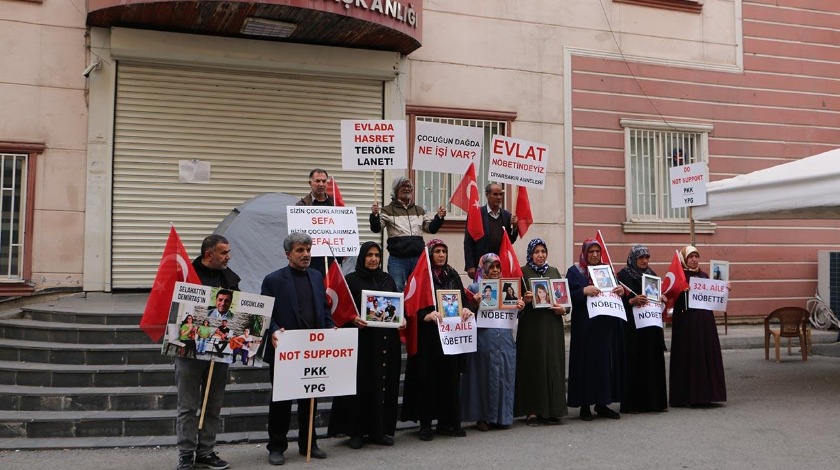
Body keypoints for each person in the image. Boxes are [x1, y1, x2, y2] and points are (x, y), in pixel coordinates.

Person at [261, 232, 334, 465]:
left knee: (310, 400)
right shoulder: (273, 280)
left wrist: (331, 328)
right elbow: (266, 314)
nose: (306, 254)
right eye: (300, 250)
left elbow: (323, 309)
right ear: (288, 254)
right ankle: (276, 447)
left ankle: (309, 444)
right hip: (285, 350)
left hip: (312, 350)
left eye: (308, 250)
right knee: (281, 401)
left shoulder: (315, 276)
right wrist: (273, 330)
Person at [328, 241, 401, 450]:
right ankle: (356, 432)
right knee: (360, 385)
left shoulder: (387, 280)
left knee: (382, 385)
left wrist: (401, 319)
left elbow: (396, 307)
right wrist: (352, 318)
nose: (374, 259)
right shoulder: (351, 280)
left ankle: (379, 431)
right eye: (369, 255)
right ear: (362, 257)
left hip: (385, 341)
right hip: (361, 341)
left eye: (377, 255)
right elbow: (340, 309)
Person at [176, 234, 240, 470]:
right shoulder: (186, 277)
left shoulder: (230, 279)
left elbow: (236, 314)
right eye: (224, 253)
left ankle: (206, 451)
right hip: (189, 352)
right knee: (188, 406)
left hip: (219, 353)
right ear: (208, 254)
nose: (228, 257)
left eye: (228, 252)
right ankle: (185, 453)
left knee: (213, 405)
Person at [402, 239, 473, 441]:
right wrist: (425, 315)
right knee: (428, 380)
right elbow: (411, 303)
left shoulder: (452, 274)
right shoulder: (422, 275)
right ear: (430, 254)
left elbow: (463, 299)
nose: (441, 255)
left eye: (444, 251)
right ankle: (426, 424)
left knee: (449, 379)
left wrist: (466, 308)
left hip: (450, 337)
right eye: (437, 251)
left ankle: (447, 422)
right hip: (429, 338)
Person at [461, 253, 524, 432]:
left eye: (498, 266)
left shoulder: (508, 287)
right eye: (491, 267)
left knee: (504, 376)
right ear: (484, 268)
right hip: (483, 339)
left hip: (504, 339)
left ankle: (502, 417)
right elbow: (465, 312)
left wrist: (520, 308)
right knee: (482, 377)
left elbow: (514, 314)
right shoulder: (474, 287)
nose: (495, 270)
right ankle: (482, 417)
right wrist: (474, 303)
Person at [566, 238, 625, 421]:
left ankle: (602, 403)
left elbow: (615, 292)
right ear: (584, 253)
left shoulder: (606, 270)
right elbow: (566, 296)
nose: (594, 255)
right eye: (590, 252)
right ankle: (585, 405)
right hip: (584, 327)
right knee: (585, 364)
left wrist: (620, 290)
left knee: (603, 364)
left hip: (603, 326)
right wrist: (584, 291)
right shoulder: (575, 272)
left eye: (597, 252)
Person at [514, 239, 568, 426]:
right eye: (536, 251)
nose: (540, 255)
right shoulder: (522, 273)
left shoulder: (553, 272)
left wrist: (564, 310)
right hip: (531, 328)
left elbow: (564, 300)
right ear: (530, 254)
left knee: (552, 365)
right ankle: (532, 411)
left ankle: (552, 410)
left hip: (552, 326)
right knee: (533, 366)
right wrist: (525, 301)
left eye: (543, 251)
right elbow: (515, 304)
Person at [669, 245, 727, 408]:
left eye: (696, 256)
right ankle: (687, 396)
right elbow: (671, 293)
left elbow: (711, 295)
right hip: (687, 323)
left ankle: (707, 394)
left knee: (705, 354)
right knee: (690, 355)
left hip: (704, 323)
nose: (694, 260)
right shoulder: (680, 276)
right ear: (684, 260)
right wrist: (682, 289)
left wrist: (724, 289)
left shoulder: (704, 275)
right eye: (690, 257)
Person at [370, 176, 446, 289]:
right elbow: (376, 228)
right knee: (397, 290)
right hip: (397, 260)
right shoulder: (387, 210)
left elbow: (430, 229)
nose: (407, 189)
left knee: (418, 291)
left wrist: (439, 217)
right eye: (403, 186)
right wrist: (375, 216)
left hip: (417, 259)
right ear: (396, 190)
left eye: (409, 186)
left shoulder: (419, 210)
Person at [616, 245, 667, 414]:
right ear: (633, 259)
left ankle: (654, 402)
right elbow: (617, 300)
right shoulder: (623, 276)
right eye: (641, 258)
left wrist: (661, 298)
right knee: (634, 363)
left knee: (652, 362)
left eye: (647, 257)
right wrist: (631, 301)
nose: (645, 261)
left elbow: (655, 297)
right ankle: (633, 404)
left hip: (650, 328)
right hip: (633, 329)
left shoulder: (652, 276)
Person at [463, 183, 519, 279]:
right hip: (482, 266)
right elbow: (468, 241)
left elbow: (511, 241)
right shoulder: (477, 214)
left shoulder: (507, 216)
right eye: (495, 194)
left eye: (500, 194)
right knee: (483, 293)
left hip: (500, 266)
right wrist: (470, 265)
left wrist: (514, 227)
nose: (499, 197)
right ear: (487, 195)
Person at [296, 168, 339, 276]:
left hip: (332, 258)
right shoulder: (301, 206)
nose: (321, 184)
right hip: (310, 259)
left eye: (324, 181)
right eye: (317, 181)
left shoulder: (336, 204)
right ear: (310, 183)